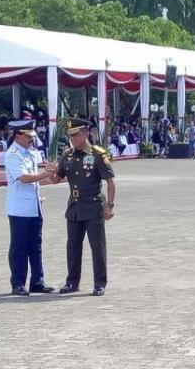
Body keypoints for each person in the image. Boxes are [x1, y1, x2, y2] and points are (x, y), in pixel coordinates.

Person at [50, 118, 116, 296]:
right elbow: (57, 178)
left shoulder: (97, 154)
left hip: (93, 206)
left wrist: (109, 206)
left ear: (86, 134)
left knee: (97, 246)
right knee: (72, 246)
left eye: (77, 135)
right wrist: (50, 173)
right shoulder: (68, 155)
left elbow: (110, 181)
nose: (74, 139)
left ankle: (100, 283)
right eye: (71, 136)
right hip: (75, 207)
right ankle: (72, 282)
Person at [4, 120, 56, 296]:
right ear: (17, 135)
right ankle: (18, 283)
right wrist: (45, 174)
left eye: (32, 136)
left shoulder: (31, 154)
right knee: (19, 247)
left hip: (34, 207)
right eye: (28, 136)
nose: (31, 139)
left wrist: (58, 178)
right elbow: (24, 178)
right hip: (19, 209)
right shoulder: (12, 155)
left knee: (36, 246)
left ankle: (37, 281)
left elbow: (37, 179)